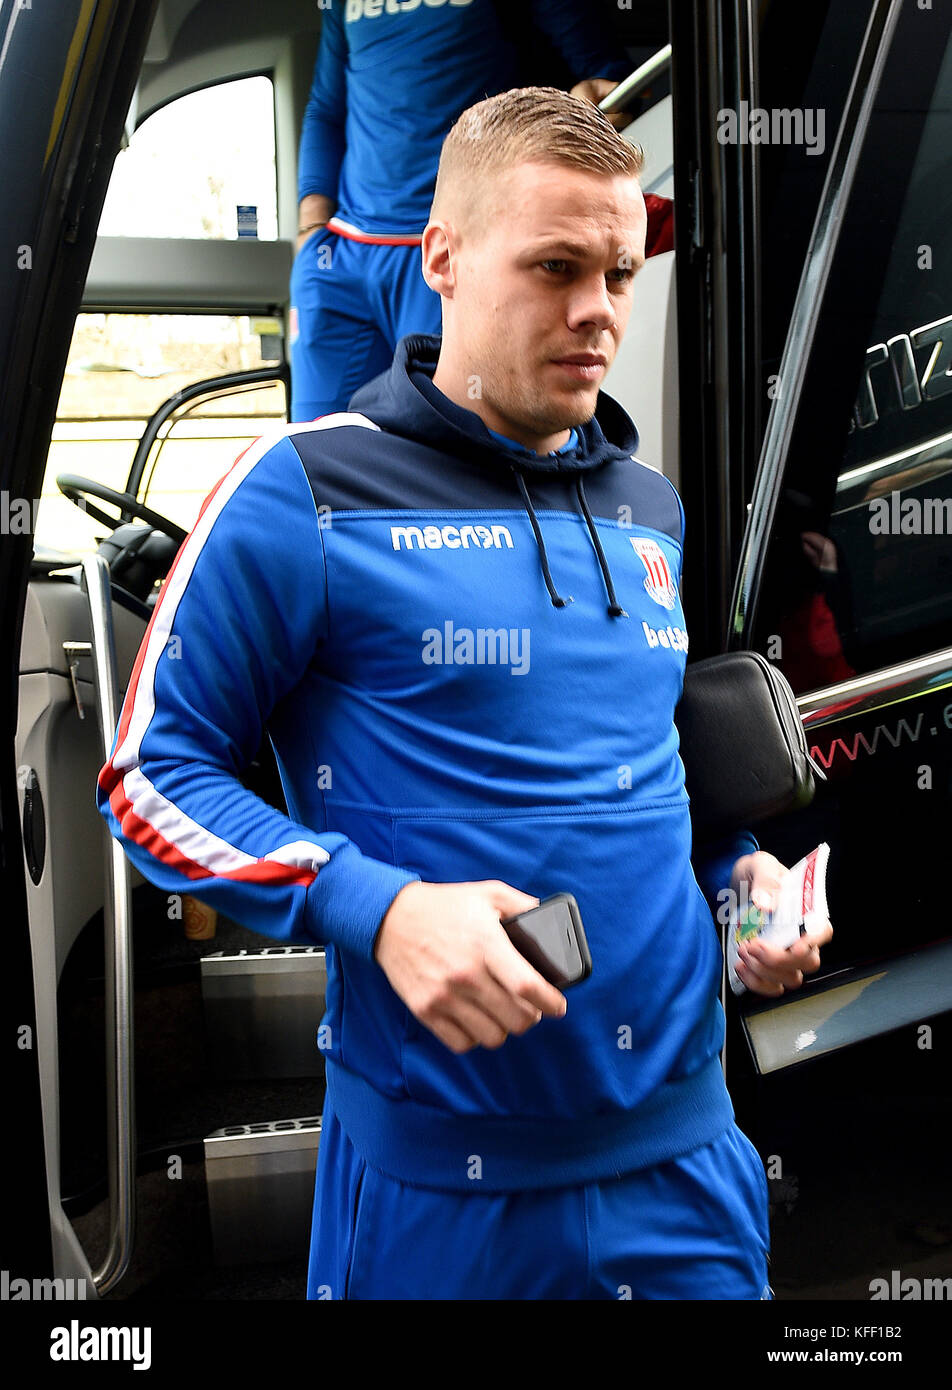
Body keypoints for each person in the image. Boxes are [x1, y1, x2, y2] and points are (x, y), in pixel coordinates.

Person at [98, 86, 831, 1300]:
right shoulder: (303, 490)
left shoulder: (649, 508)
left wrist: (739, 875)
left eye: (618, 271)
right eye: (554, 267)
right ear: (440, 259)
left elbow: (648, 780)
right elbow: (147, 779)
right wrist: (375, 907)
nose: (596, 311)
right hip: (445, 1204)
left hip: (691, 1165)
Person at [290, 0, 634, 421]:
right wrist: (311, 231)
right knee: (318, 445)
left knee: (449, 454)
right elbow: (325, 107)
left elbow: (607, 80)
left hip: (457, 250)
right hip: (342, 252)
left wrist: (585, 104)